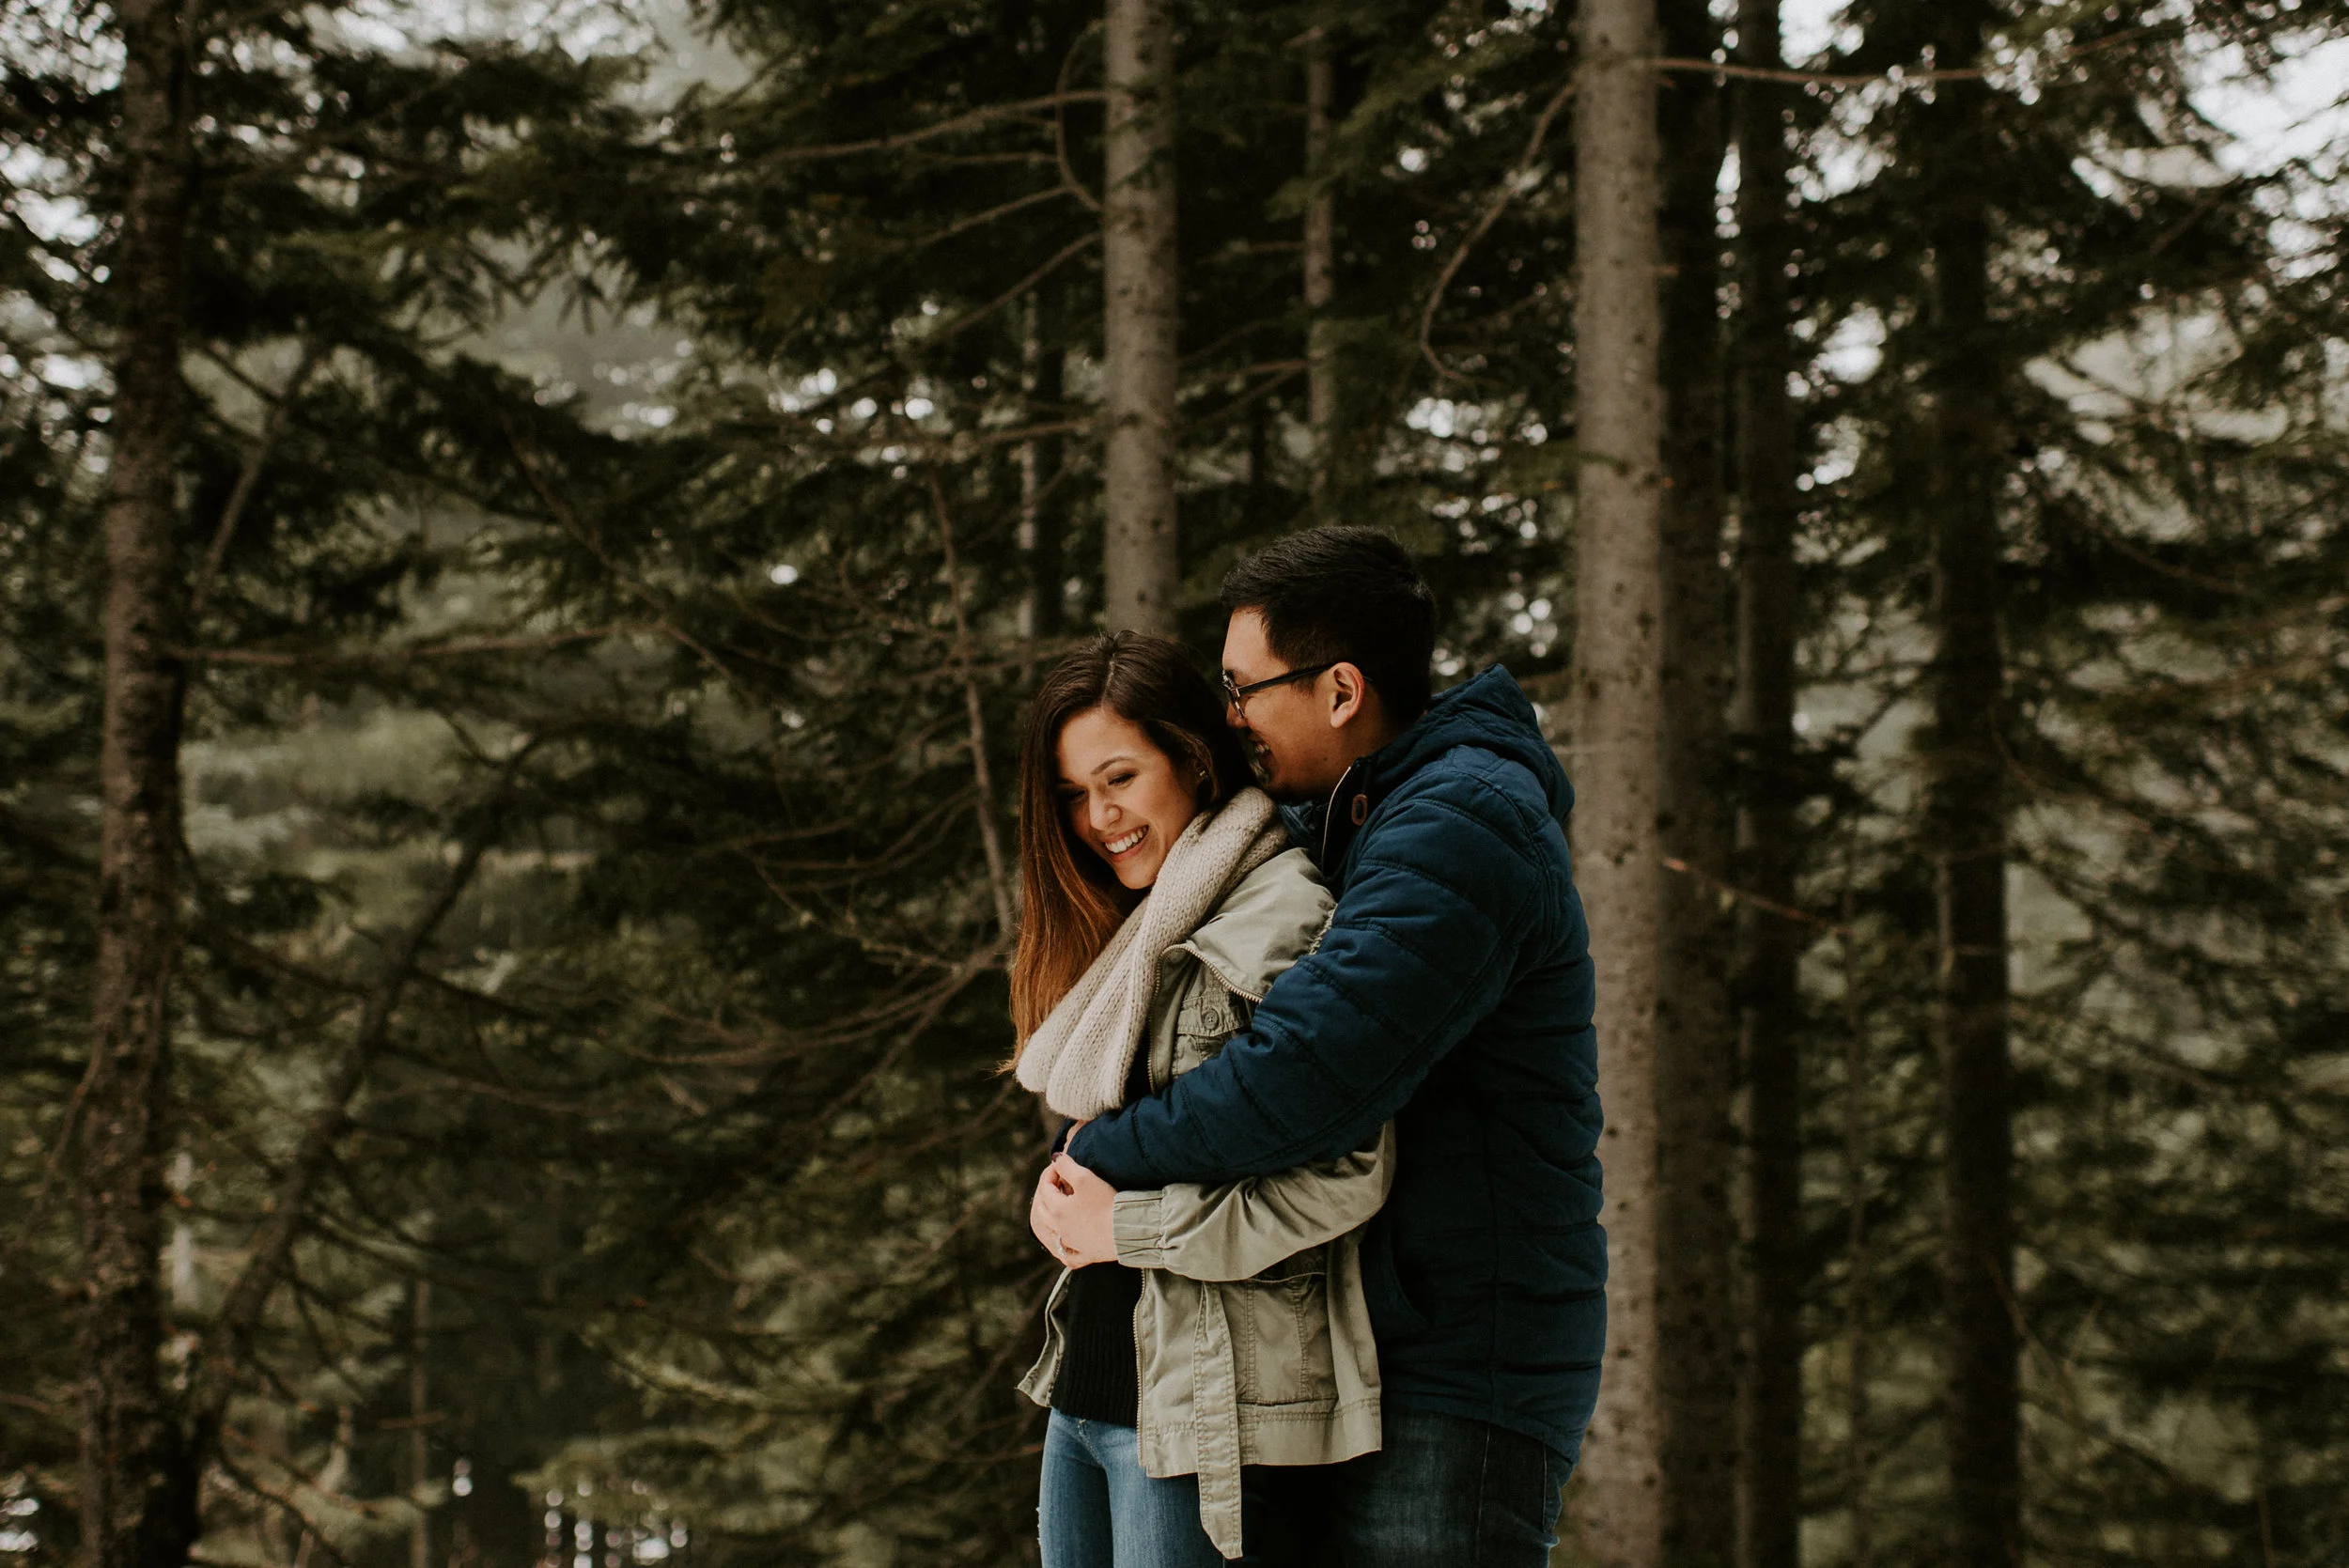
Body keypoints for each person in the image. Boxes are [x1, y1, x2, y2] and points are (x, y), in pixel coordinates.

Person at [1035, 527, 1605, 1566]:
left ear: (1339, 689)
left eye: (1243, 685)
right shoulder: (1361, 819)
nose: (1232, 714)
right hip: (1383, 1347)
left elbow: (1305, 1076)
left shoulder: (1461, 822)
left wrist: (1105, 1159)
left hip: (1457, 1362)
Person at [1010, 631, 1396, 1567]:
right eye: (1073, 795)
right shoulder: (1148, 924)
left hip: (1205, 1416)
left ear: (1189, 757)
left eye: (1119, 778)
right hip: (1090, 1391)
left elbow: (1344, 1179)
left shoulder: (1279, 919)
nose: (1098, 817)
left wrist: (1121, 1229)